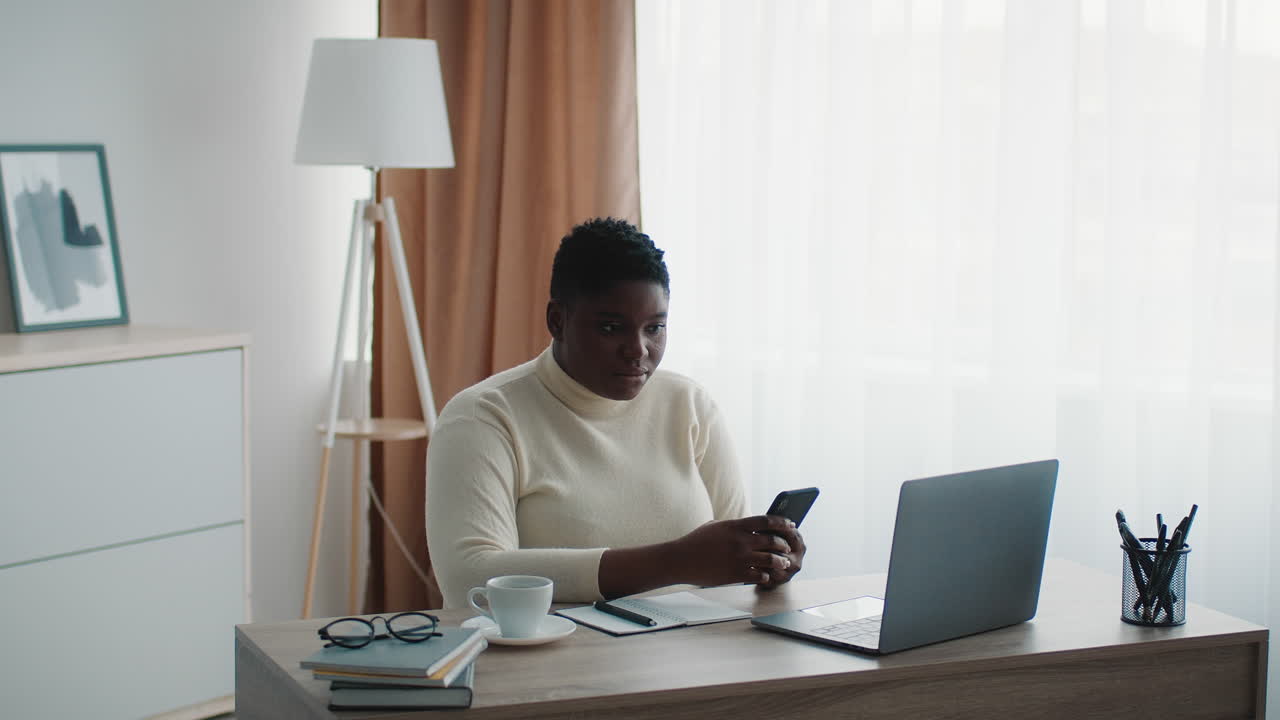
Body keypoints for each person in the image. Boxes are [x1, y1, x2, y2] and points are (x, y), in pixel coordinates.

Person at [426, 217, 806, 608]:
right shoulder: (484, 417)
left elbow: (731, 564)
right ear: (557, 321)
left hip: (692, 656)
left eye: (655, 328)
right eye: (611, 328)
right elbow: (467, 578)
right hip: (559, 660)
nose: (638, 350)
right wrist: (675, 562)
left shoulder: (689, 404)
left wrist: (764, 562)